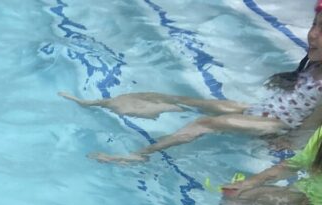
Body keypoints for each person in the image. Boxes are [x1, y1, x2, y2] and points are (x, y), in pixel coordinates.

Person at [59, 6, 322, 164]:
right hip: (262, 110)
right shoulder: (314, 63)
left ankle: (140, 154)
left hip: (274, 124)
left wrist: (289, 142)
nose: (313, 35)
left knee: (205, 123)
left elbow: (312, 124)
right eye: (314, 25)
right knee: (186, 100)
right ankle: (96, 102)